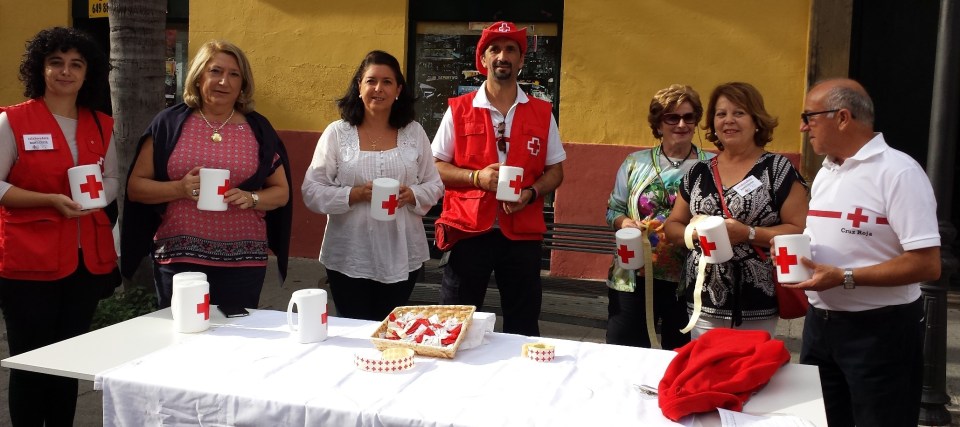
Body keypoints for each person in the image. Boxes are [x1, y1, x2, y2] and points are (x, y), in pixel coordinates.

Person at [788, 78, 940, 426]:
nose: (803, 127)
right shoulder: (827, 171)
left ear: (842, 117)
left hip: (880, 331)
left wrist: (844, 277)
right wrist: (795, 255)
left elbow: (927, 264)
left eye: (809, 116)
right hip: (820, 326)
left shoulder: (899, 173)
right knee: (820, 421)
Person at [0, 26, 117, 426]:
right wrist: (49, 200)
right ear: (41, 68)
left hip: (85, 265)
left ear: (87, 73)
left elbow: (112, 178)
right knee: (31, 362)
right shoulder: (13, 121)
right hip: (29, 262)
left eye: (76, 64)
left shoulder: (101, 124)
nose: (66, 71)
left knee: (68, 362)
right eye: (56, 62)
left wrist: (95, 200)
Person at [121, 40, 292, 310]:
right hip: (179, 261)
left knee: (236, 335)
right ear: (199, 76)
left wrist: (252, 198)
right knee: (182, 332)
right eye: (215, 71)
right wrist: (179, 189)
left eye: (234, 74)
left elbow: (282, 192)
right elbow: (136, 187)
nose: (224, 81)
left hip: (243, 263)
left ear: (243, 84)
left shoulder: (258, 129)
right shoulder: (169, 124)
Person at [432, 21, 566, 336]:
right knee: (455, 324)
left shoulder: (542, 112)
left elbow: (556, 171)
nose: (502, 56)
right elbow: (434, 167)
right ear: (483, 59)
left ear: (521, 60)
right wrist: (475, 177)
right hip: (467, 230)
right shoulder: (459, 109)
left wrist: (531, 193)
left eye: (510, 49)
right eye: (494, 49)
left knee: (523, 325)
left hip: (522, 233)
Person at [302, 50, 443, 321]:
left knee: (390, 329)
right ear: (359, 86)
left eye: (387, 82)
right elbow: (312, 190)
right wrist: (353, 195)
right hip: (349, 254)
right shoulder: (337, 133)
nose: (379, 88)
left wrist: (412, 194)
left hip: (401, 252)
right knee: (352, 329)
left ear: (398, 90)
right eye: (371, 81)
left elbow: (434, 184)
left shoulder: (413, 133)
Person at [664, 82, 808, 338]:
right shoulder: (699, 171)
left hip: (757, 302)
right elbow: (673, 225)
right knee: (706, 362)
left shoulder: (777, 170)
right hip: (702, 301)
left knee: (750, 362)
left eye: (739, 113)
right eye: (721, 114)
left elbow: (800, 230)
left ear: (756, 121)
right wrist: (698, 235)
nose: (728, 120)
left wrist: (748, 233)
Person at [605, 84, 713, 350]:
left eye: (688, 117)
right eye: (672, 117)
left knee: (682, 355)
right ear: (658, 123)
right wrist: (625, 222)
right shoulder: (635, 163)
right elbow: (613, 209)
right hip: (634, 274)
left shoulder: (712, 166)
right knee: (625, 351)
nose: (681, 124)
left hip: (689, 280)